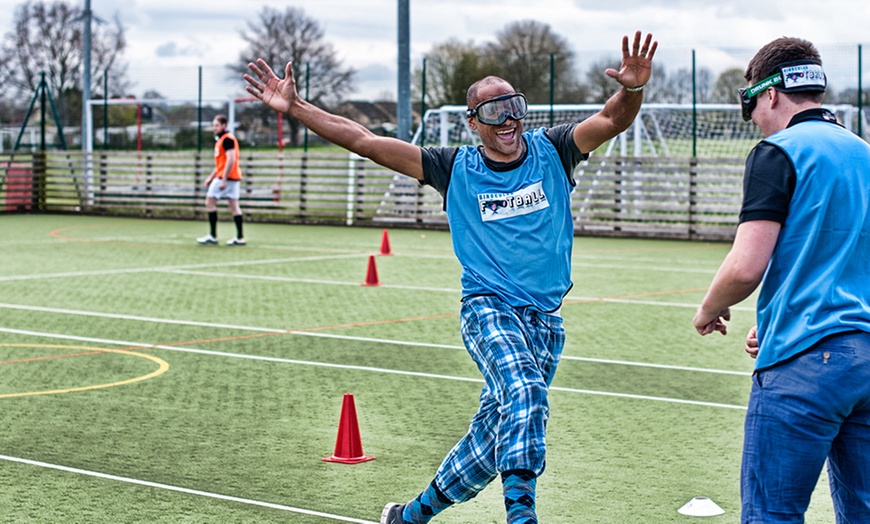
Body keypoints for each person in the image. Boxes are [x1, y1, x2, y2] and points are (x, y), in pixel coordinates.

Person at [246, 31, 656, 524]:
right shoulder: (452, 167)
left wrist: (631, 90)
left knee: (490, 439)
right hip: (489, 309)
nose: (508, 120)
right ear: (472, 122)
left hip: (546, 319)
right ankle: (522, 518)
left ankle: (410, 516)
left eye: (514, 106)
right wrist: (297, 109)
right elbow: (365, 140)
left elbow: (612, 118)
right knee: (523, 391)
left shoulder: (555, 149)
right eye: (492, 111)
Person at [693, 37, 870, 523]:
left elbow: (746, 266)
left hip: (803, 366)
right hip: (866, 359)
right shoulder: (865, 154)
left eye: (750, 104)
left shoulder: (777, 151)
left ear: (770, 94)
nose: (753, 118)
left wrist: (708, 309)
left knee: (773, 514)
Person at [197, 114, 246, 246]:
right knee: (234, 207)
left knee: (209, 202)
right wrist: (210, 177)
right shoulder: (221, 140)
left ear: (224, 125)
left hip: (226, 177)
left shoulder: (227, 139)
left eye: (217, 125)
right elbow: (221, 163)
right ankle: (240, 238)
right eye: (213, 125)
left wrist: (223, 179)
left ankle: (213, 236)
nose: (214, 128)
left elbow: (231, 160)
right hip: (233, 177)